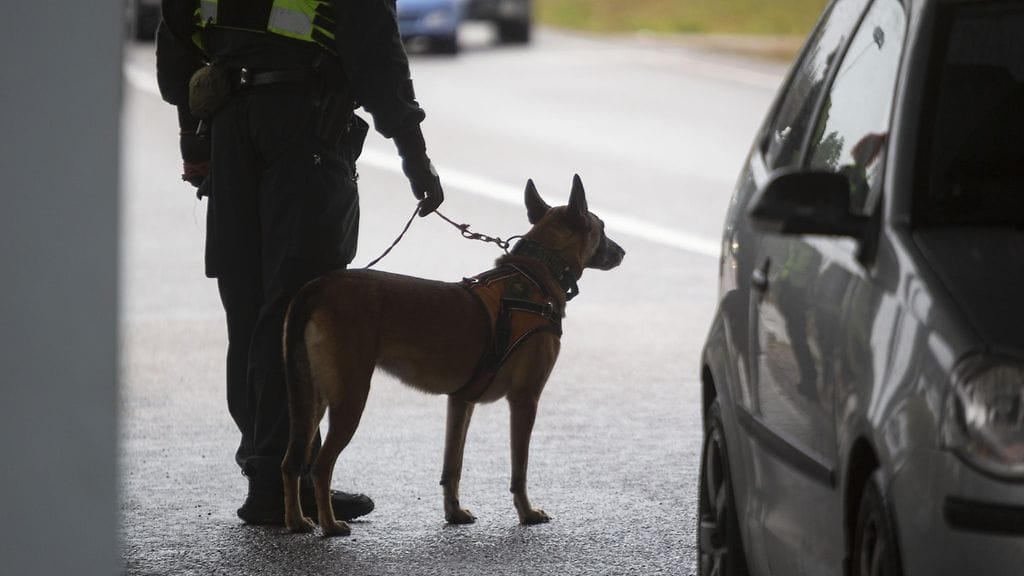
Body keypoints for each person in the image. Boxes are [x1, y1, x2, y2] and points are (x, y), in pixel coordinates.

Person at [155, 0, 445, 525]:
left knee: (246, 308)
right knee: (296, 307)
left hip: (228, 127)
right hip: (304, 129)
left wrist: (194, 141)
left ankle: (277, 469)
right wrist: (416, 158)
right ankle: (277, 480)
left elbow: (177, 42)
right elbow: (378, 57)